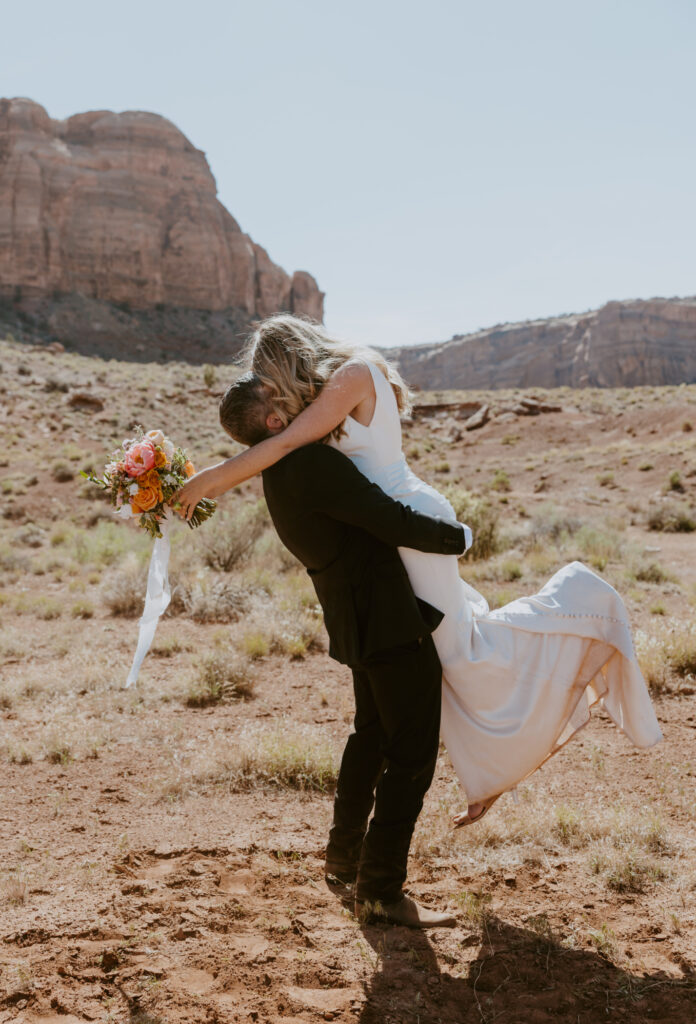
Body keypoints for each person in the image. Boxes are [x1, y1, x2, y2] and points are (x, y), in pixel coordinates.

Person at [176, 315, 663, 826]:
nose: (270, 393)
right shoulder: (329, 395)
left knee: (458, 651)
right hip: (394, 531)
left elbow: (282, 444)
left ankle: (580, 609)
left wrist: (210, 480)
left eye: (268, 378)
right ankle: (489, 770)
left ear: (288, 357)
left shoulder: (355, 374)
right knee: (446, 656)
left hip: (411, 523)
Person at [217, 372, 470, 927]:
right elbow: (390, 520)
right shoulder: (309, 464)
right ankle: (380, 890)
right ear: (275, 421)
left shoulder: (279, 473)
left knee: (372, 736)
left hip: (356, 619)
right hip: (386, 619)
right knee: (410, 755)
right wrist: (459, 539)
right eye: (280, 398)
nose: (298, 399)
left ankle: (343, 857)